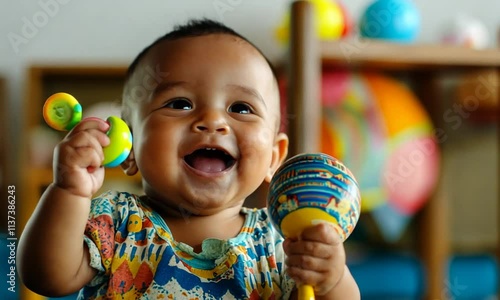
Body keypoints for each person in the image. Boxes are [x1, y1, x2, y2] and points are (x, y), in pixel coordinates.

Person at [17, 19, 360, 299]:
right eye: (179, 104)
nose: (213, 121)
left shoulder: (279, 243)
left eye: (241, 108)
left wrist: (330, 280)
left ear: (274, 157)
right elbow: (46, 276)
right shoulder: (117, 221)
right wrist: (70, 192)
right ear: (130, 149)